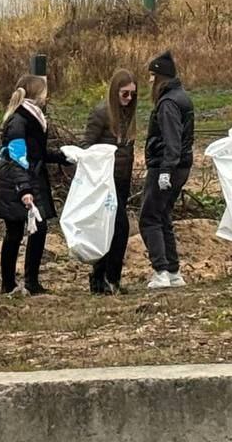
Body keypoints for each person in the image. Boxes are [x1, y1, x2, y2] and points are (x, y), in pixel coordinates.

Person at [0, 74, 70, 296]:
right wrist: (25, 189)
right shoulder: (19, 121)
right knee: (19, 231)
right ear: (37, 95)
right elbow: (17, 158)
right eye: (44, 92)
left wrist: (63, 156)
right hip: (18, 182)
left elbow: (37, 153)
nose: (47, 97)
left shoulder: (30, 118)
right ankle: (15, 283)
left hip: (28, 178)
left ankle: (25, 281)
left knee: (28, 230)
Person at [140, 50, 194, 290]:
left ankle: (160, 270)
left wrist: (165, 170)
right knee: (163, 216)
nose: (149, 81)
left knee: (149, 218)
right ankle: (173, 271)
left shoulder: (168, 103)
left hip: (166, 166)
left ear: (160, 77)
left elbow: (172, 140)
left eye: (152, 76)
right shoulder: (182, 98)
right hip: (181, 166)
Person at [82, 69, 138, 295]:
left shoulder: (127, 115)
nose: (129, 98)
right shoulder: (102, 113)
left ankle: (106, 278)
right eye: (125, 93)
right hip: (106, 180)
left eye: (133, 94)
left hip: (122, 179)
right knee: (119, 227)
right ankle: (106, 277)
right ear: (115, 91)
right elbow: (86, 145)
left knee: (114, 229)